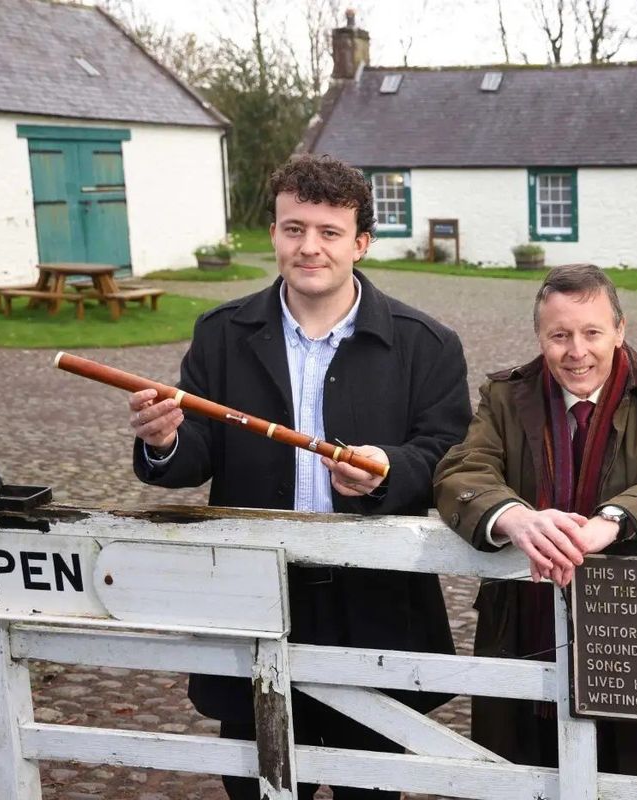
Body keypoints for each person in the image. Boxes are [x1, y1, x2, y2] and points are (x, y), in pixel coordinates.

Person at [128, 154, 472, 800]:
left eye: (328, 232)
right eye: (293, 229)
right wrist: (167, 440)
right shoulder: (222, 334)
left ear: (361, 243)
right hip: (252, 600)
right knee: (256, 788)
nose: (308, 247)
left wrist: (388, 472)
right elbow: (195, 454)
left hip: (371, 607)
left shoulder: (428, 344)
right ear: (274, 234)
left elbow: (451, 456)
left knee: (367, 789)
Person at [433, 263, 637, 780]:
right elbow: (463, 469)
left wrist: (612, 524)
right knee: (521, 770)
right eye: (559, 335)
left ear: (620, 330)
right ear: (540, 336)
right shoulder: (504, 396)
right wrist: (514, 517)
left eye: (592, 332)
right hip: (522, 623)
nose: (577, 351)